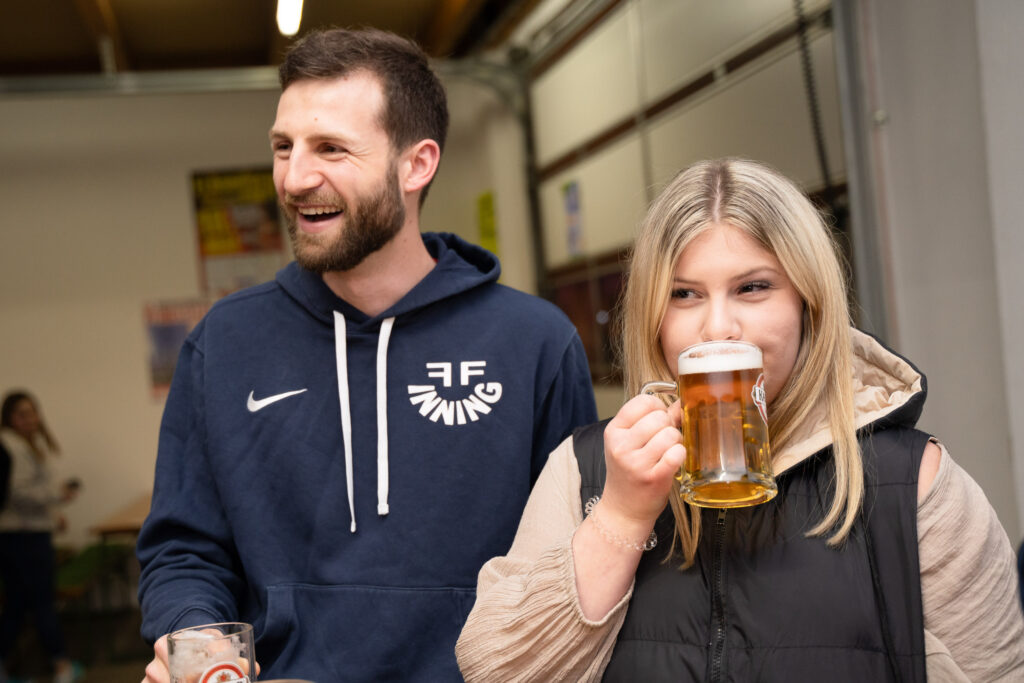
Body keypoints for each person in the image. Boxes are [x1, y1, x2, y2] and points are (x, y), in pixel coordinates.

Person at [136, 27, 597, 683]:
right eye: (283, 147)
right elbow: (185, 549)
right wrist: (197, 634)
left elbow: (575, 559)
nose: (295, 178)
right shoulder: (224, 343)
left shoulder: (536, 343)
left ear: (417, 165)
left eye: (330, 148)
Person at [455, 158, 1024, 681]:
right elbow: (495, 674)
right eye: (684, 294)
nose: (718, 328)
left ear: (808, 302)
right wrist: (622, 515)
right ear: (653, 316)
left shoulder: (913, 481)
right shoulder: (585, 468)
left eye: (753, 288)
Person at [0, 391, 82, 683]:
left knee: (18, 604)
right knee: (42, 602)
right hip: (24, 538)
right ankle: (61, 665)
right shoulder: (11, 445)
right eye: (22, 414)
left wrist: (52, 513)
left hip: (20, 534)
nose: (30, 419)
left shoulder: (24, 445)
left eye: (32, 412)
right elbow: (20, 493)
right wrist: (57, 496)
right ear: (9, 417)